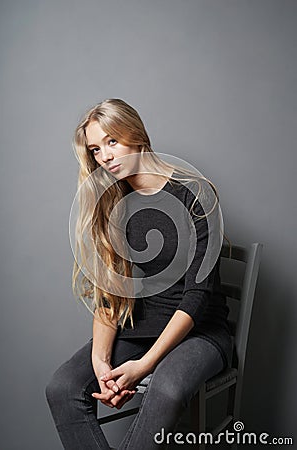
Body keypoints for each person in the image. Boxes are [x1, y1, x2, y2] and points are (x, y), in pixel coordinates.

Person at [45, 98, 233, 449]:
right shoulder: (114, 204)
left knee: (167, 388)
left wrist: (144, 365)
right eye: (96, 149)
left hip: (200, 333)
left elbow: (197, 297)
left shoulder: (195, 195)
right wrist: (101, 363)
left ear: (136, 134)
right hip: (139, 329)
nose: (105, 157)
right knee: (63, 388)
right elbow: (109, 293)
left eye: (112, 141)